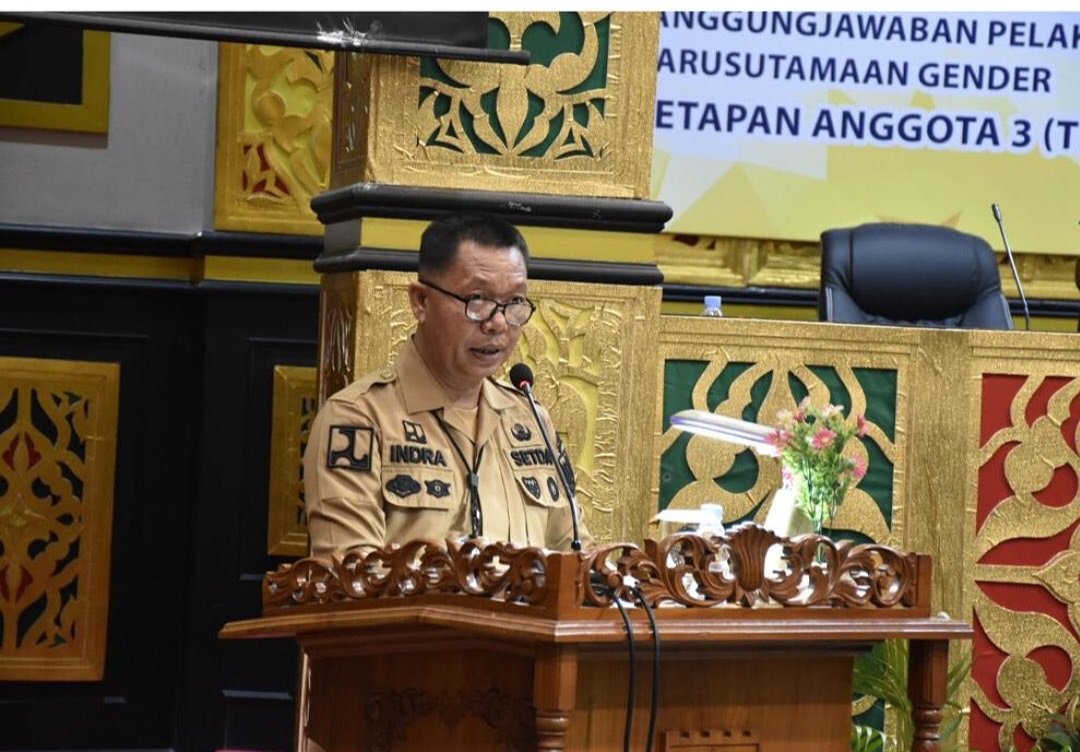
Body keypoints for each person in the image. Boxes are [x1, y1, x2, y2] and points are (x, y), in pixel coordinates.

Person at [303, 213, 591, 557]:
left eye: (514, 303)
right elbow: (350, 576)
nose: (498, 323)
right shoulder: (358, 419)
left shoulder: (531, 419)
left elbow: (576, 555)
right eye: (478, 300)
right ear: (421, 302)